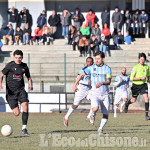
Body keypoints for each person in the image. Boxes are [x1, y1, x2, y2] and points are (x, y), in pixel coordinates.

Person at [72, 51, 112, 135]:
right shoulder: (91, 68)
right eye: (95, 58)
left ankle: (100, 129)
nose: (96, 60)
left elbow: (109, 81)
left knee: (105, 115)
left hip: (105, 94)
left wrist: (102, 83)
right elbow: (81, 75)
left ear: (103, 59)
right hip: (95, 94)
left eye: (98, 58)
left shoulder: (107, 69)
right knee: (95, 108)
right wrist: (75, 84)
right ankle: (92, 114)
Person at [0, 50, 33, 135]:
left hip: (21, 90)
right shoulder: (10, 65)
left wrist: (30, 84)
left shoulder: (24, 66)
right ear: (13, 57)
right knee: (17, 113)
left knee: (25, 106)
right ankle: (16, 107)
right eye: (16, 57)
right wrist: (0, 84)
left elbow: (28, 77)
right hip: (11, 93)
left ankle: (24, 129)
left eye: (20, 58)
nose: (18, 59)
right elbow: (1, 75)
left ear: (22, 58)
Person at [64, 57, 94, 127]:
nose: (90, 63)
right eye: (88, 61)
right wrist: (87, 83)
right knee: (75, 105)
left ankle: (89, 116)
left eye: (91, 61)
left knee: (94, 100)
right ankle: (66, 117)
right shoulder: (83, 70)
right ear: (86, 62)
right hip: (80, 89)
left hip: (89, 89)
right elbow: (78, 79)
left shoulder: (94, 69)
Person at [124, 53, 150, 121]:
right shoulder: (135, 67)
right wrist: (141, 78)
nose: (142, 61)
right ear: (139, 59)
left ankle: (147, 115)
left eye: (143, 59)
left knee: (146, 98)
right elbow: (131, 78)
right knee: (133, 100)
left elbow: (148, 75)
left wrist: (148, 79)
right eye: (141, 59)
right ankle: (127, 104)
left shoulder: (147, 67)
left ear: (145, 60)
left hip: (143, 85)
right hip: (135, 85)